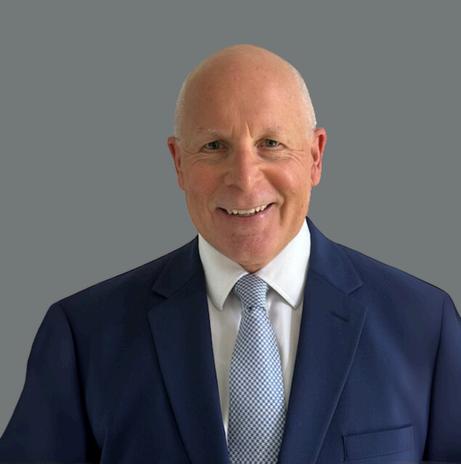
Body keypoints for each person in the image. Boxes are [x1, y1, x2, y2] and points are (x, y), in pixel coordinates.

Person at [0, 44, 460, 464]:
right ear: (178, 162)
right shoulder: (84, 334)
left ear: (316, 156)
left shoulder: (425, 325)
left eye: (270, 144)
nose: (243, 177)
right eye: (214, 146)